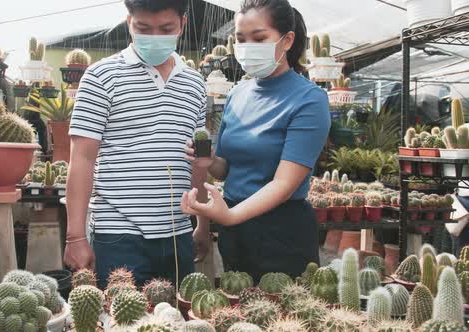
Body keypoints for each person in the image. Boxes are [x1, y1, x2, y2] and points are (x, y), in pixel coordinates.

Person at [64, 0, 210, 289]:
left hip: (177, 232)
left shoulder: (195, 84)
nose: (154, 37)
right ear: (129, 21)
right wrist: (75, 237)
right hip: (118, 236)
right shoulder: (100, 77)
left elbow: (198, 161)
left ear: (182, 24)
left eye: (165, 28)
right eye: (143, 28)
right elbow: (82, 160)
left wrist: (202, 224)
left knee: (176, 319)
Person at [182, 0, 331, 281]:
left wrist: (230, 216)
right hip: (234, 229)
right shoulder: (238, 94)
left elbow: (284, 184)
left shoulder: (310, 100)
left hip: (281, 231)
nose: (248, 46)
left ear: (287, 40)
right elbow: (226, 168)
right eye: (241, 39)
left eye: (259, 38)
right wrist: (210, 161)